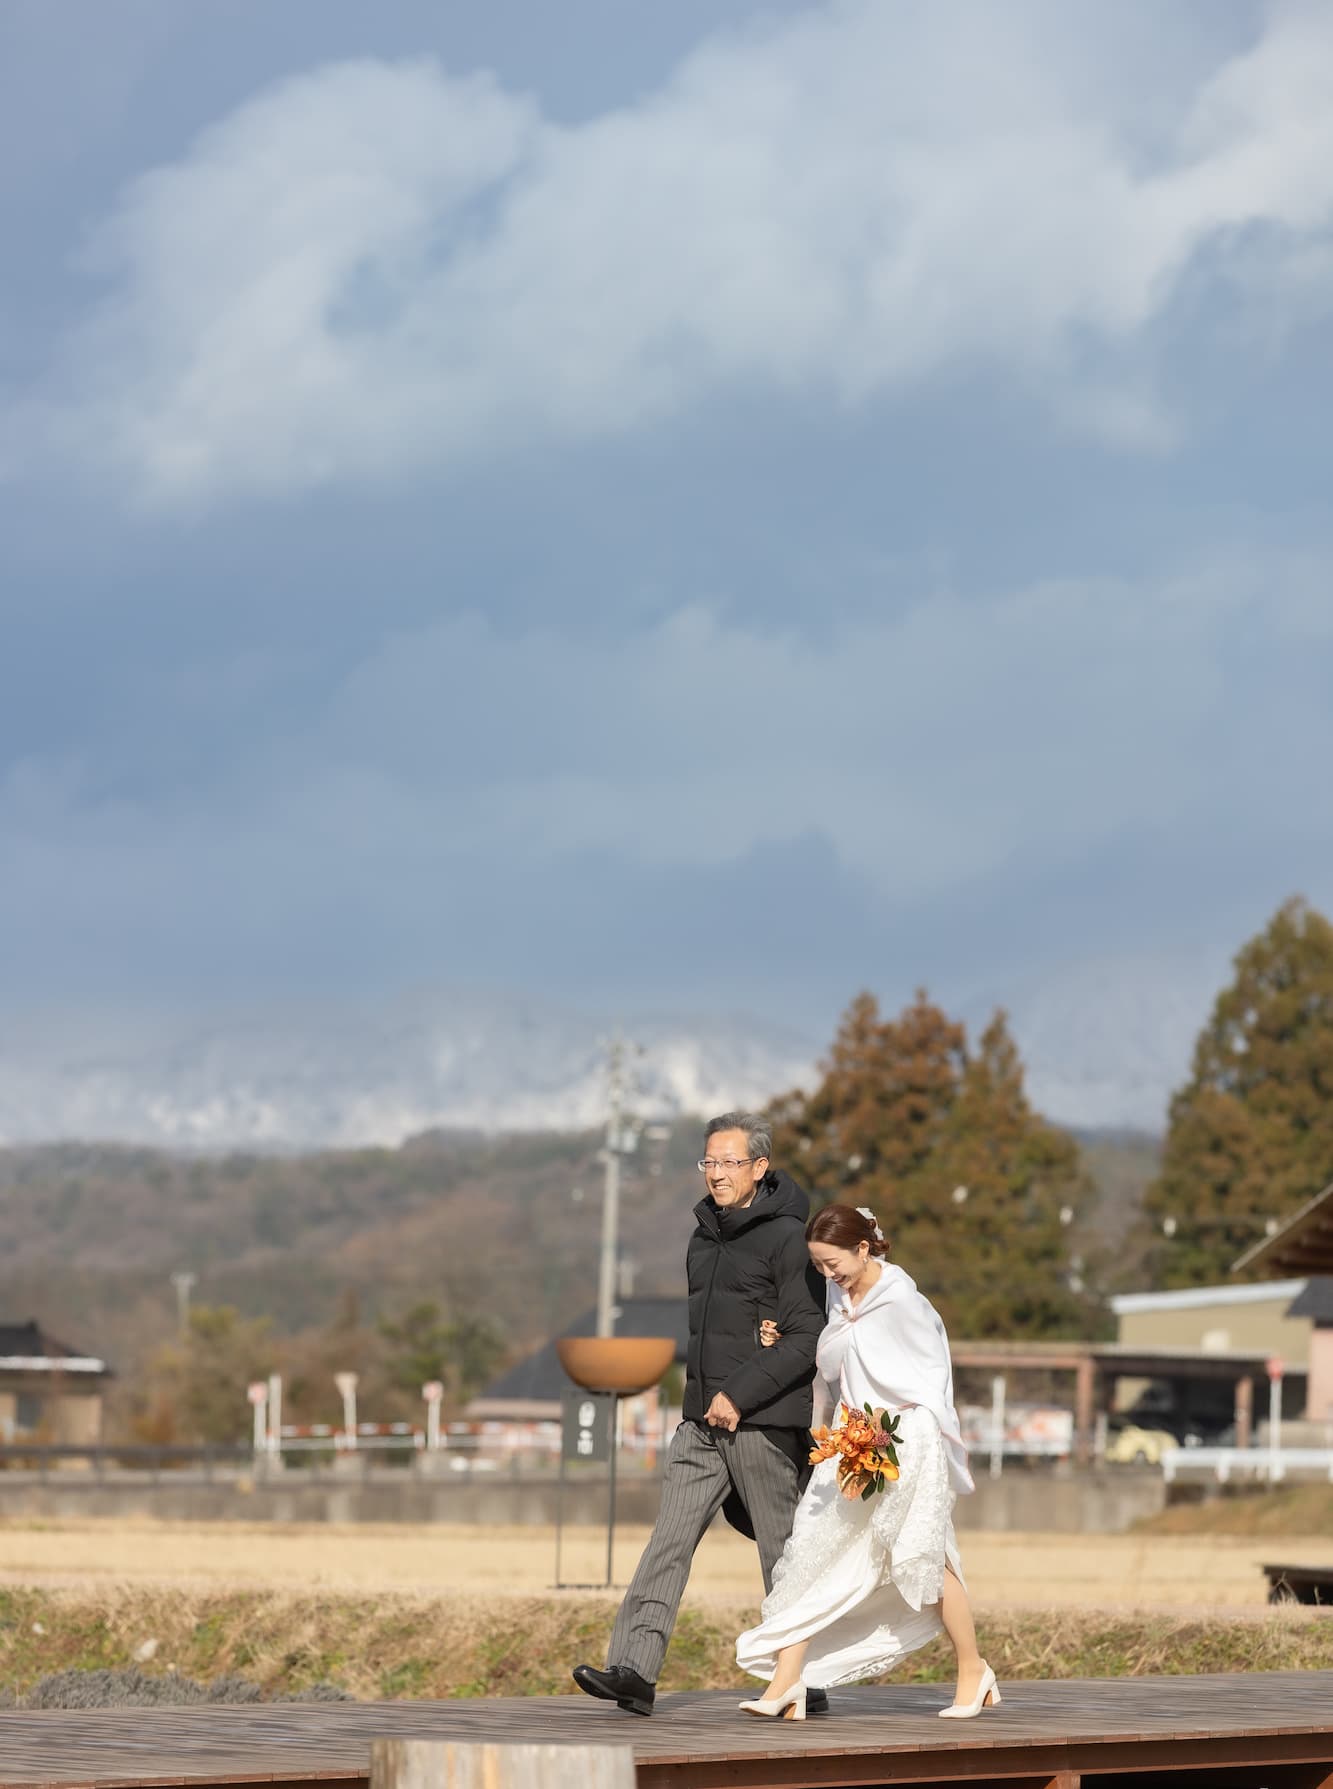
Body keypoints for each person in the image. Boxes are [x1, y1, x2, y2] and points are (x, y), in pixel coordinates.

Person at [573, 1111, 827, 1717]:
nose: (715, 1174)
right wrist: (703, 1404)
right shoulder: (702, 1235)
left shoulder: (789, 1237)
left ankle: (804, 1676)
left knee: (783, 1555)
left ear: (760, 1168)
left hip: (762, 1425)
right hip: (701, 1425)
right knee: (668, 1542)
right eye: (708, 1162)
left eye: (728, 1162)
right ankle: (634, 1670)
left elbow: (806, 1333)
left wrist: (739, 1394)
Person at [735, 1203, 997, 1720]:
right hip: (850, 1441)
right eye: (818, 1266)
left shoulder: (904, 1302)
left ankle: (973, 1669)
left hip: (903, 1442)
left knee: (922, 1559)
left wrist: (894, 1437)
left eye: (833, 1263)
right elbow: (832, 1361)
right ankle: (787, 1684)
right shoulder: (839, 1294)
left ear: (863, 1247)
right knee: (812, 1551)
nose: (827, 1275)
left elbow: (930, 1383)